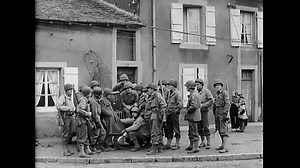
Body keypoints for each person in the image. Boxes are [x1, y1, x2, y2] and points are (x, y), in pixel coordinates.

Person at [144, 83, 167, 155]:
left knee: (155, 131)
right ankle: (159, 147)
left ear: (152, 89)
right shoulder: (150, 96)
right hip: (151, 115)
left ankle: (155, 147)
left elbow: (163, 105)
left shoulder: (157, 95)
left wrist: (162, 116)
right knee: (156, 131)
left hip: (155, 115)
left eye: (149, 88)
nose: (148, 90)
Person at [56, 83, 76, 156]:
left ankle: (67, 149)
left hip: (71, 117)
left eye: (71, 90)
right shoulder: (62, 97)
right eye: (69, 90)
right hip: (65, 118)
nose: (71, 91)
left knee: (70, 133)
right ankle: (65, 150)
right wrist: (66, 108)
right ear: (66, 90)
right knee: (65, 134)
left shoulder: (70, 98)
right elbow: (58, 106)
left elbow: (73, 107)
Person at [75, 85, 94, 157]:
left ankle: (87, 149)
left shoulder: (85, 99)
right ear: (87, 93)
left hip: (84, 120)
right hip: (82, 120)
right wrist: (87, 113)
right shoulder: (83, 100)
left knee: (86, 135)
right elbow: (79, 110)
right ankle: (81, 152)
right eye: (90, 93)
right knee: (82, 136)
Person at [163, 79, 183, 150]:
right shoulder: (170, 93)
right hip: (169, 113)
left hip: (174, 113)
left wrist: (176, 111)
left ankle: (177, 143)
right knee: (169, 128)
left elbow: (180, 105)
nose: (169, 87)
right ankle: (168, 143)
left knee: (176, 128)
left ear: (173, 86)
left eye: (170, 85)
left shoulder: (177, 93)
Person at [195, 78, 214, 149]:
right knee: (199, 127)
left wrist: (203, 105)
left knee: (205, 126)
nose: (197, 86)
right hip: (197, 111)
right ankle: (203, 141)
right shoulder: (195, 92)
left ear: (202, 85)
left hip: (204, 111)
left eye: (198, 85)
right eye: (196, 85)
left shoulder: (206, 91)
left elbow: (211, 100)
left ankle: (208, 142)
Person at [212, 79, 230, 153]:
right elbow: (214, 104)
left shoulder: (224, 93)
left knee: (223, 130)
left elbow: (227, 103)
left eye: (218, 85)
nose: (217, 87)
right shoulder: (216, 94)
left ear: (221, 86)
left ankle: (225, 147)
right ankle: (222, 145)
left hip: (222, 112)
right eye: (216, 86)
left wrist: (225, 113)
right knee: (219, 129)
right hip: (217, 112)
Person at [184, 80, 201, 154]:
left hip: (193, 116)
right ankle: (192, 146)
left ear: (189, 87)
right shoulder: (194, 94)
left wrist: (188, 110)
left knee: (194, 132)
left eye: (187, 87)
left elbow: (194, 106)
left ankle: (195, 147)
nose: (186, 88)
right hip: (193, 116)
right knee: (191, 131)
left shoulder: (194, 95)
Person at [88, 86, 106, 154]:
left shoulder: (95, 101)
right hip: (95, 120)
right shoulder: (94, 102)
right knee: (95, 134)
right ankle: (93, 147)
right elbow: (95, 113)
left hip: (97, 119)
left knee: (101, 133)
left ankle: (97, 147)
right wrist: (98, 122)